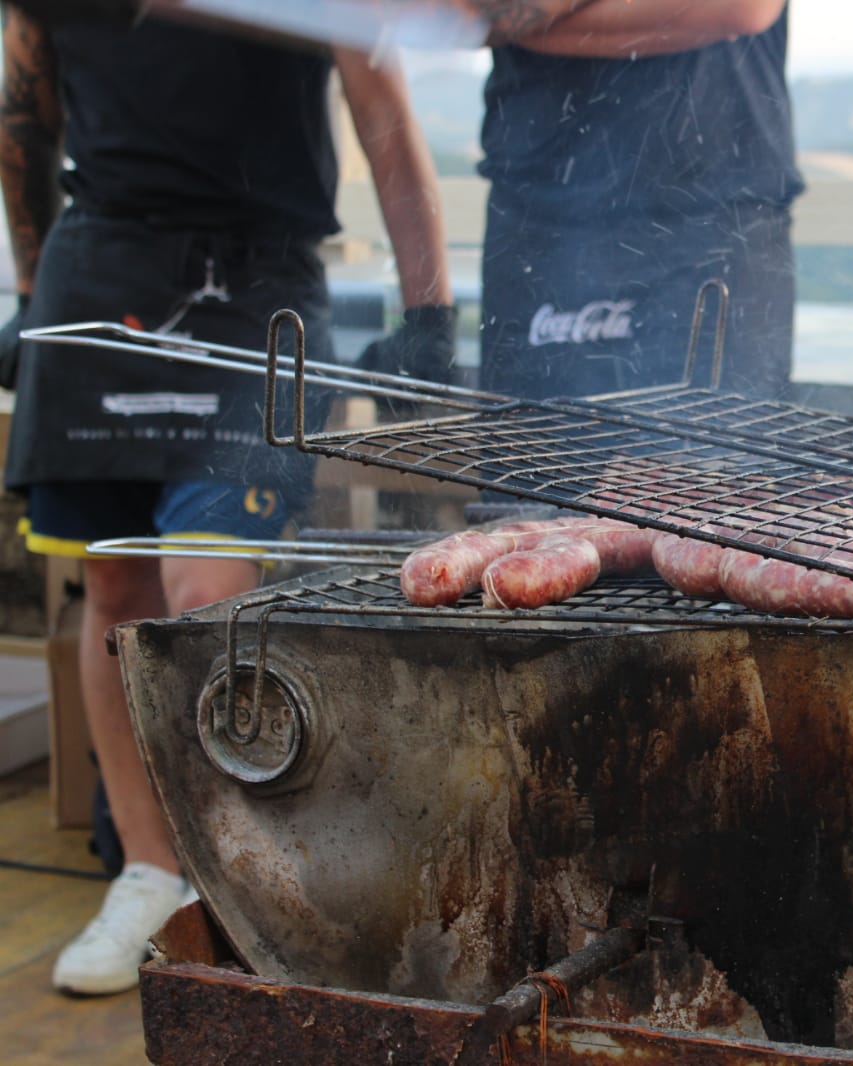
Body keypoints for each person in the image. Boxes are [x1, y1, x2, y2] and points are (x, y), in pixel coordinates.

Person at [0, 7, 453, 995]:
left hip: (260, 280)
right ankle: (148, 875)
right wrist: (33, 293)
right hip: (98, 271)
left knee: (206, 595)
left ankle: (234, 884)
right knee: (114, 589)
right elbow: (21, 125)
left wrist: (431, 313)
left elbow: (383, 111)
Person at [475, 1, 803, 400]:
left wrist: (538, 22)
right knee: (526, 457)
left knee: (708, 460)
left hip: (714, 222)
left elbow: (741, 9)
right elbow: (463, 15)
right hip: (538, 220)